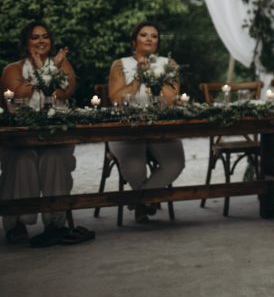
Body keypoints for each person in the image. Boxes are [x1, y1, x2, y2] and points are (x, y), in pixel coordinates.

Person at [1, 22, 90, 246]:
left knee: (54, 159)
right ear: (25, 43)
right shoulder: (12, 70)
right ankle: (17, 221)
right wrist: (45, 72)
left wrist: (53, 70)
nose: (41, 41)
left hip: (55, 133)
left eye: (45, 37)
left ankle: (55, 222)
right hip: (20, 137)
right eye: (34, 37)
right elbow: (16, 95)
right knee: (21, 160)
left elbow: (64, 92)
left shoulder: (64, 64)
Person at [107, 21, 185, 222]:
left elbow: (169, 100)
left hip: (161, 128)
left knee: (175, 163)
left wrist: (153, 77)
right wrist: (138, 78)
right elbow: (116, 98)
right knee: (134, 166)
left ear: (158, 42)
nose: (149, 38)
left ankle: (140, 199)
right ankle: (147, 201)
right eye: (144, 35)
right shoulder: (120, 65)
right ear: (134, 40)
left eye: (154, 36)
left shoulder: (169, 64)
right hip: (126, 128)